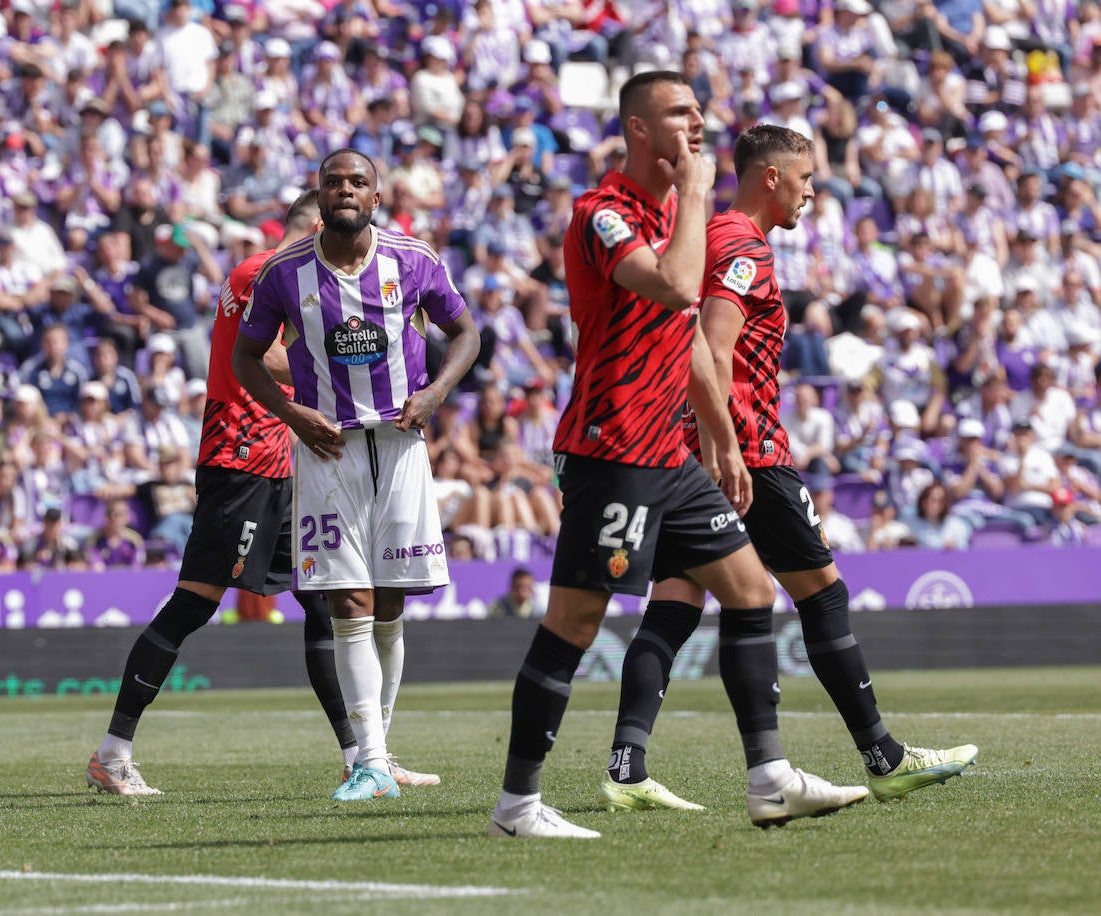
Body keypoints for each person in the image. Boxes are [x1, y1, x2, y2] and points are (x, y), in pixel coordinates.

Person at [489, 73, 867, 840]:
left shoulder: (672, 213)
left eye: (700, 111)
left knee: (750, 591)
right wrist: (695, 195)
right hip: (614, 447)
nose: (698, 124)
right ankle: (517, 806)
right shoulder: (603, 215)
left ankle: (769, 779)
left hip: (673, 453)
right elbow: (670, 287)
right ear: (637, 128)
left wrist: (721, 437)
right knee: (575, 623)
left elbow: (692, 335)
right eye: (679, 113)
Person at [604, 124, 978, 817]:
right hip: (746, 450)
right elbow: (711, 348)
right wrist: (725, 444)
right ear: (770, 178)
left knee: (676, 602)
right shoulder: (743, 247)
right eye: (805, 180)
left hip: (687, 451)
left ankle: (627, 766)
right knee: (821, 594)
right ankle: (883, 757)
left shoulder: (709, 237)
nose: (811, 194)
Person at [88, 192, 371, 797]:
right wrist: (337, 368)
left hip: (284, 466)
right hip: (239, 460)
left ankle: (361, 758)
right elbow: (261, 356)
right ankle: (112, 753)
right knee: (193, 603)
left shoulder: (292, 283)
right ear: (316, 229)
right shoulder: (260, 271)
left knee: (322, 602)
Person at [235, 151, 482, 802]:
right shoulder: (285, 273)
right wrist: (290, 411)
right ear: (318, 196)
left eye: (357, 182)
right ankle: (367, 760)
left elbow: (466, 334)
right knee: (349, 602)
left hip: (401, 446)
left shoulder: (414, 258)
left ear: (376, 197)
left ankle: (380, 753)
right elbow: (245, 357)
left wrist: (435, 394)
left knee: (392, 603)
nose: (344, 190)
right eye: (333, 182)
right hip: (329, 451)